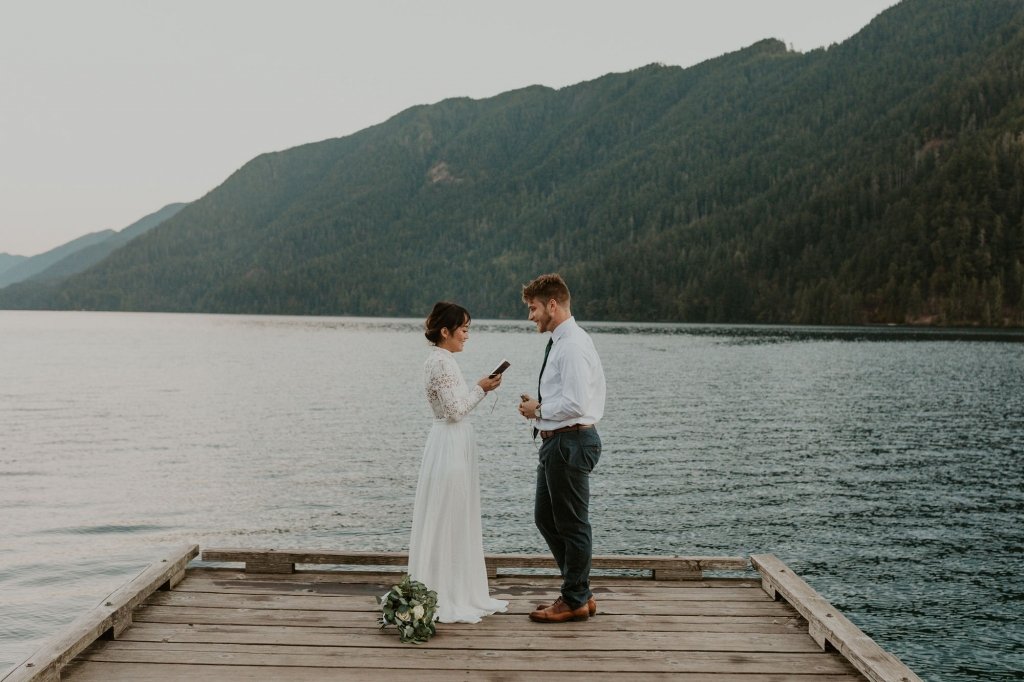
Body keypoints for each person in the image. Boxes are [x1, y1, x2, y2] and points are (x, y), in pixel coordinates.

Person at [407, 301, 509, 623]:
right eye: (463, 329)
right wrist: (481, 388)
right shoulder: (442, 363)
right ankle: (448, 592)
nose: (467, 336)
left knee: (447, 514)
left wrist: (479, 387)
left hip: (446, 442)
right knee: (450, 514)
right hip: (449, 443)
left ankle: (443, 585)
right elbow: (454, 411)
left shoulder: (439, 359)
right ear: (445, 331)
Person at [518, 274, 606, 624]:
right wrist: (540, 407)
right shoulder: (562, 341)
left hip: (570, 442)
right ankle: (579, 591)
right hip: (559, 441)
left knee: (572, 524)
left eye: (533, 308)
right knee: (546, 518)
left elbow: (576, 402)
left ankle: (573, 599)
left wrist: (538, 410)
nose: (531, 316)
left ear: (552, 305)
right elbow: (567, 399)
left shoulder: (571, 344)